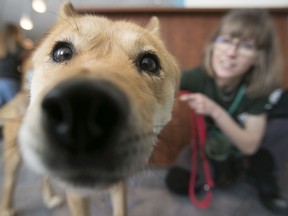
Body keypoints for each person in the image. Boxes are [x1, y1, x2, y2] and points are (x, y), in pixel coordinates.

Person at [165, 9, 288, 215]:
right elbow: (159, 85)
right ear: (213, 45)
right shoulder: (198, 77)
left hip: (245, 145)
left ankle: (261, 174)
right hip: (214, 143)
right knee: (177, 183)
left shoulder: (257, 90)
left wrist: (213, 109)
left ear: (259, 58)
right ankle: (225, 167)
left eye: (246, 46)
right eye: (225, 40)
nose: (231, 52)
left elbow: (249, 144)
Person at [0, 23, 25, 107]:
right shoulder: (18, 47)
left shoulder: (1, 47)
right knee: (16, 109)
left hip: (1, 80)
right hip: (11, 80)